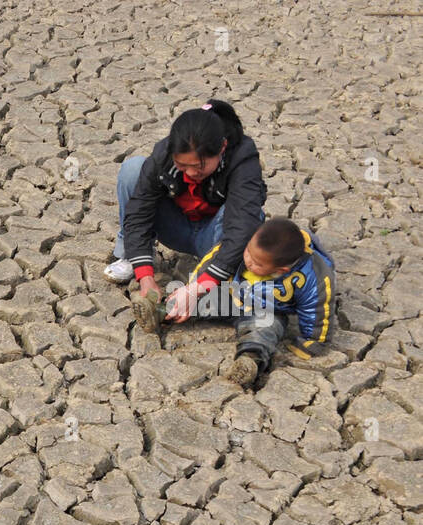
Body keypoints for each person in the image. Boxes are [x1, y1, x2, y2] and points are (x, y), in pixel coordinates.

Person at [106, 100, 267, 330]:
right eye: (182, 166)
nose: (191, 173)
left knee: (253, 218)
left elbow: (242, 228)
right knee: (133, 170)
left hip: (215, 237)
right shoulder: (164, 152)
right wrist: (146, 277)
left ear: (221, 148)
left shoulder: (242, 156)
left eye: (200, 167)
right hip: (177, 227)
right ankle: (131, 257)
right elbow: (140, 210)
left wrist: (198, 287)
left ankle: (212, 279)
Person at [157, 217, 336, 387]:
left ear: (282, 270)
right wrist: (192, 290)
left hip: (268, 311)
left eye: (257, 264)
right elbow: (212, 263)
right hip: (232, 294)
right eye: (248, 252)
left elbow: (317, 306)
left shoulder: (312, 273)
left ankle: (249, 361)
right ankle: (161, 309)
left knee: (265, 330)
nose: (249, 261)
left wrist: (313, 342)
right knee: (199, 300)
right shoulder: (242, 241)